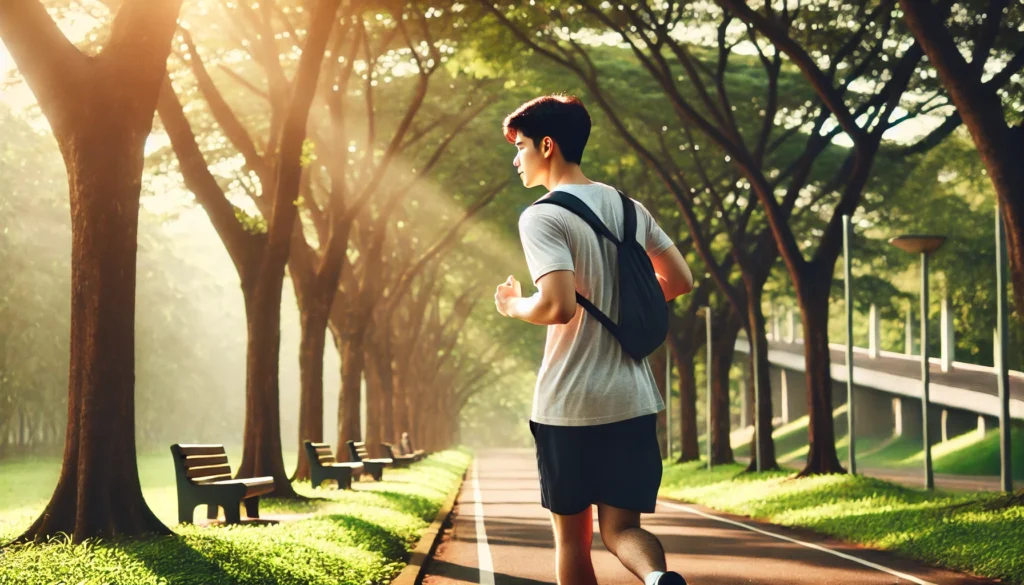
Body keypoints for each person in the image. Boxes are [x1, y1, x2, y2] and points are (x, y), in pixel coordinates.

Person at [493, 94, 694, 585]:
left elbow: (557, 306)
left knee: (572, 539)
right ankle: (655, 579)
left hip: (569, 404)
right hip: (632, 399)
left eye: (520, 147)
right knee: (623, 528)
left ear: (547, 144)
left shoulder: (541, 216)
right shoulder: (628, 208)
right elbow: (681, 279)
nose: (515, 159)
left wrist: (513, 306)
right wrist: (627, 307)